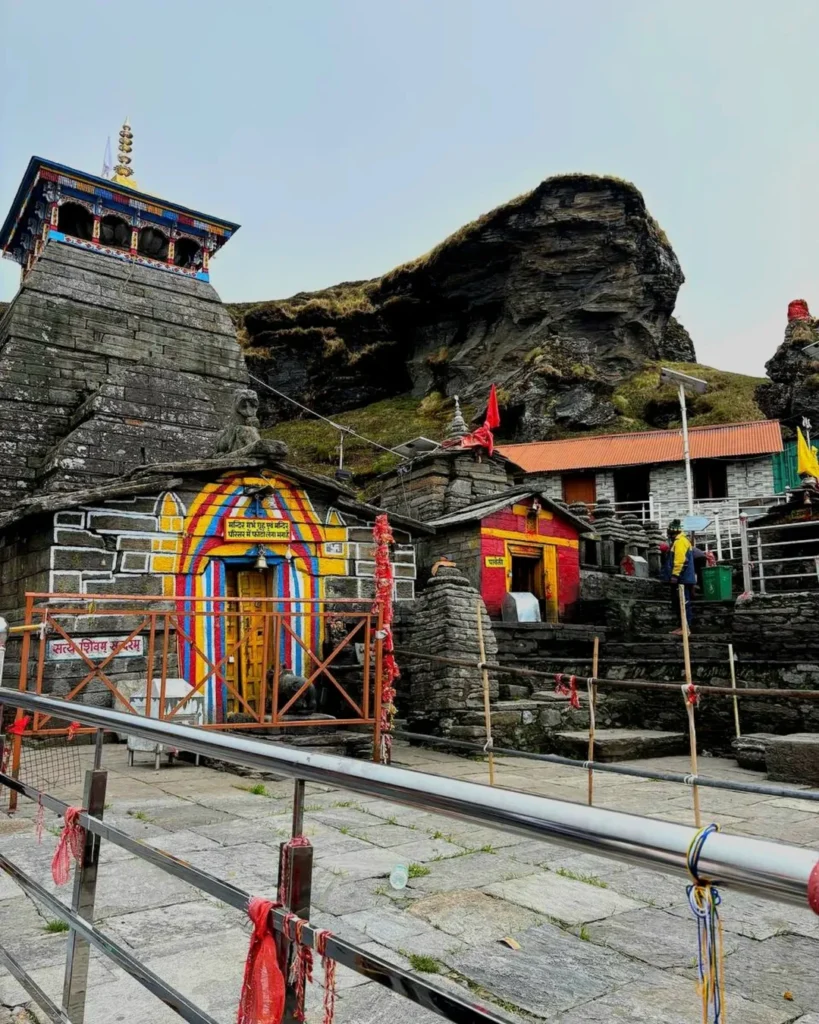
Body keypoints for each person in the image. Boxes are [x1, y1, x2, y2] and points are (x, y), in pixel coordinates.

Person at [662, 520, 695, 634]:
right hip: (683, 577)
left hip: (682, 578)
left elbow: (680, 560)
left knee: (682, 602)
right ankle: (682, 626)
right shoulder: (680, 541)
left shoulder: (680, 542)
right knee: (678, 602)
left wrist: (675, 575)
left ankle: (686, 627)